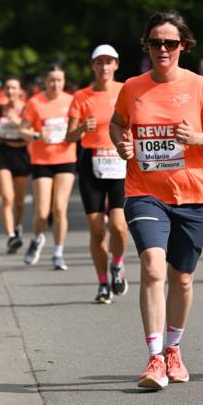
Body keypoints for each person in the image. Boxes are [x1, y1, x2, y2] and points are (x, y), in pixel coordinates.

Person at [109, 10, 203, 390]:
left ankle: (174, 349)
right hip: (145, 192)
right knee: (152, 267)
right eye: (155, 42)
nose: (162, 49)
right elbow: (117, 123)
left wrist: (197, 138)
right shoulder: (132, 87)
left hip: (194, 195)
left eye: (170, 43)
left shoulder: (200, 87)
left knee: (181, 279)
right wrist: (121, 143)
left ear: (184, 46)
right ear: (146, 46)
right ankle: (153, 358)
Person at [67, 44, 128, 303]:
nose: (104, 67)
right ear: (93, 66)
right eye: (99, 62)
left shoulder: (127, 90)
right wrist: (82, 128)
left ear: (116, 65)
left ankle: (117, 263)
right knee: (96, 230)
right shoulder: (81, 96)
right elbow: (68, 136)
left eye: (109, 62)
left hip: (120, 162)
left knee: (118, 226)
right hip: (91, 163)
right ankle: (103, 283)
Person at [21, 64, 76, 270]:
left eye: (59, 80)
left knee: (60, 208)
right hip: (42, 161)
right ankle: (36, 239)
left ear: (64, 81)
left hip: (65, 158)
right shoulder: (35, 103)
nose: (55, 84)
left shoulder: (71, 101)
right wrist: (36, 136)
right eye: (51, 80)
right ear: (45, 82)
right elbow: (23, 130)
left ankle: (58, 253)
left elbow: (78, 128)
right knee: (43, 211)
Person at [0, 76, 30, 253]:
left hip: (22, 153)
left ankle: (17, 226)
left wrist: (17, 121)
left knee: (20, 201)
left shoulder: (27, 109)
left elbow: (31, 133)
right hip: (3, 152)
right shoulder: (0, 108)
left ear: (20, 91)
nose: (10, 91)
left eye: (14, 88)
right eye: (7, 88)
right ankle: (11, 237)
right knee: (7, 197)